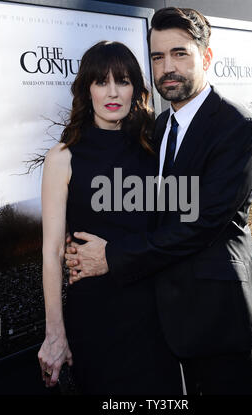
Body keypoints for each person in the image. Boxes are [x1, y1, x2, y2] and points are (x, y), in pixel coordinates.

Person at [65, 8, 252, 395]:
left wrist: (112, 255)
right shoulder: (158, 128)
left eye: (179, 53)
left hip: (217, 319)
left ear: (206, 57)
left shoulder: (237, 128)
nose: (167, 68)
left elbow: (203, 223)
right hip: (162, 321)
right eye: (158, 57)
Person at [37, 40, 183, 394]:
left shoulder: (156, 148)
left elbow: (174, 229)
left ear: (136, 87)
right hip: (95, 315)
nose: (113, 92)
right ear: (87, 89)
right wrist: (54, 333)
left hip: (155, 312)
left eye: (123, 80)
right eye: (102, 82)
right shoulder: (62, 157)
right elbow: (53, 252)